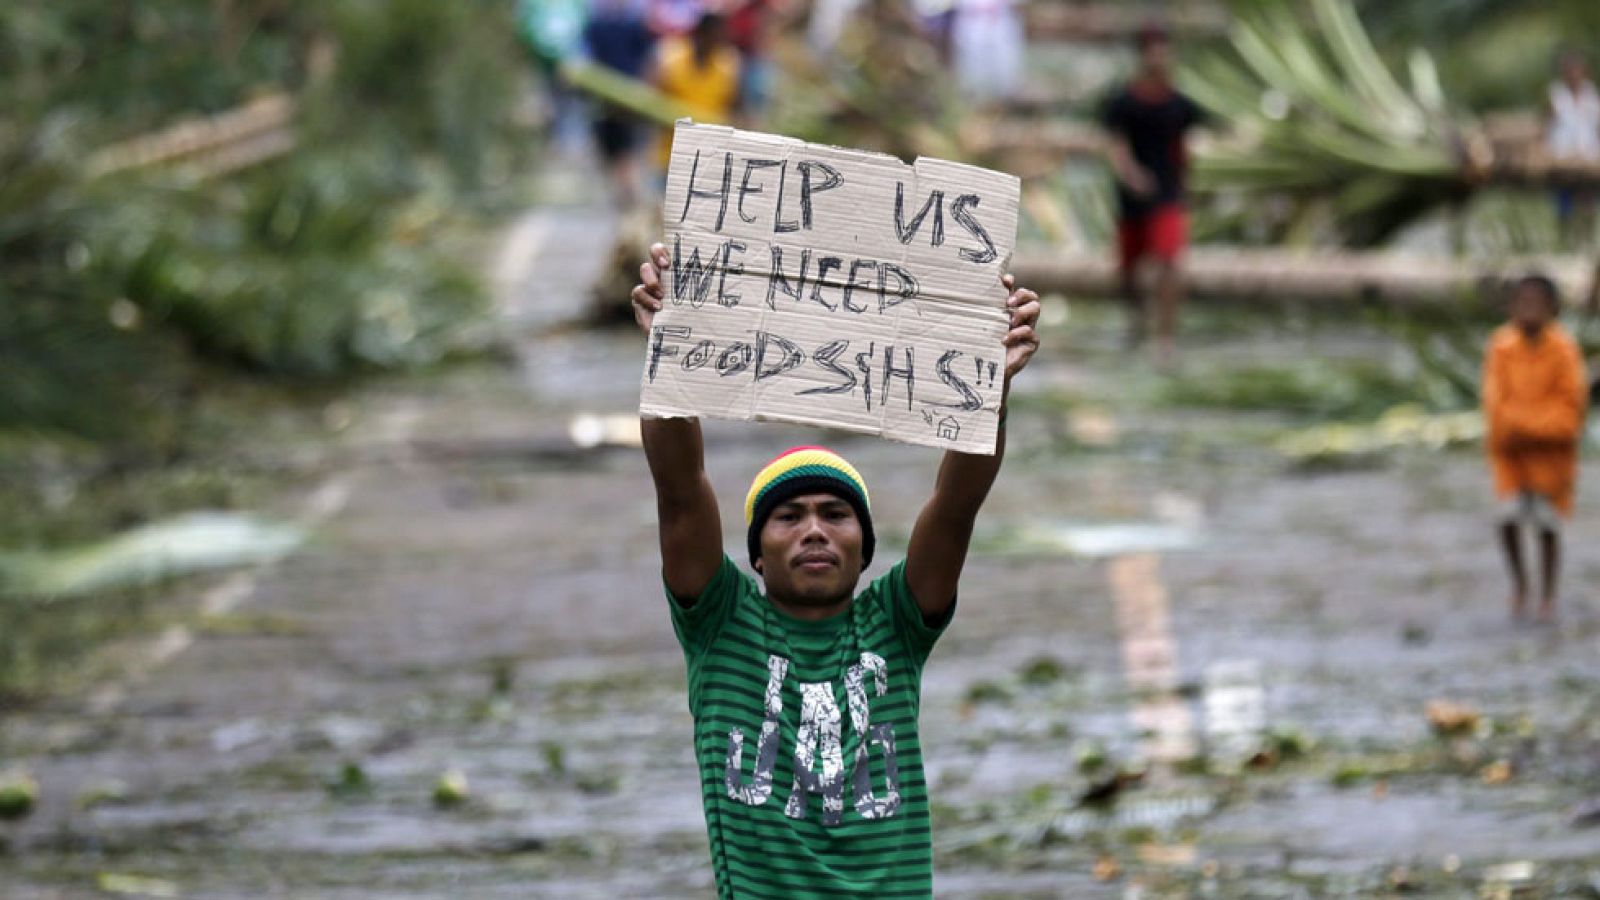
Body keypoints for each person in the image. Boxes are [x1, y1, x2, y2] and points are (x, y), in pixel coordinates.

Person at [630, 242, 1040, 897]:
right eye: (788, 516)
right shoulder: (720, 624)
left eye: (835, 514)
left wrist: (990, 388)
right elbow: (680, 488)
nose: (815, 529)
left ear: (866, 548)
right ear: (756, 555)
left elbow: (956, 504)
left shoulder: (896, 626)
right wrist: (671, 355)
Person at [1482, 275, 1588, 623]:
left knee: (1547, 526)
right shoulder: (1501, 346)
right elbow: (1495, 406)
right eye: (1521, 303)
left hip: (1550, 462)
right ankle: (1520, 584)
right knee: (1508, 519)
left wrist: (1522, 426)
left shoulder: (1564, 350)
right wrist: (1529, 426)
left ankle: (1547, 594)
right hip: (1511, 459)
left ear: (1553, 309)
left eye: (1536, 304)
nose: (1528, 311)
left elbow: (1569, 415)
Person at [1100, 23, 1203, 363]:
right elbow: (1117, 147)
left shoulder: (1180, 105)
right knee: (1129, 271)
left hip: (1168, 194)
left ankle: (1164, 337)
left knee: (1170, 262)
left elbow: (1185, 147)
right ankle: (1137, 323)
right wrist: (1131, 176)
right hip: (1132, 196)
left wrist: (1190, 186)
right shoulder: (1123, 103)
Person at [583, 0, 657, 209]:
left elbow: (647, 59)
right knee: (612, 151)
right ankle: (626, 196)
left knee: (627, 151)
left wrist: (643, 88)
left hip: (628, 100)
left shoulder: (633, 24)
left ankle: (630, 197)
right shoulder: (596, 25)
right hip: (605, 99)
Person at [651, 12, 741, 172]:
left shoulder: (727, 69)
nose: (716, 44)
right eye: (713, 37)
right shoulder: (671, 61)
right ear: (701, 34)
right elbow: (652, 99)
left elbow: (735, 109)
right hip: (670, 156)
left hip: (708, 161)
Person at [1545, 49, 1600, 250]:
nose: (1574, 74)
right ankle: (1565, 243)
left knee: (1589, 202)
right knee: (1564, 204)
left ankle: (1587, 243)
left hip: (1588, 156)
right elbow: (1547, 124)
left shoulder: (1590, 94)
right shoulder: (1556, 95)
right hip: (1563, 156)